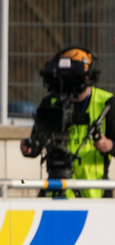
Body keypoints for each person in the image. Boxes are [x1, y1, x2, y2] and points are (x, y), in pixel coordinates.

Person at [19, 47, 115, 198]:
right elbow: (37, 141)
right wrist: (29, 148)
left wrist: (109, 145)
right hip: (57, 189)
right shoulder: (50, 103)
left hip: (95, 194)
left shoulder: (106, 103)